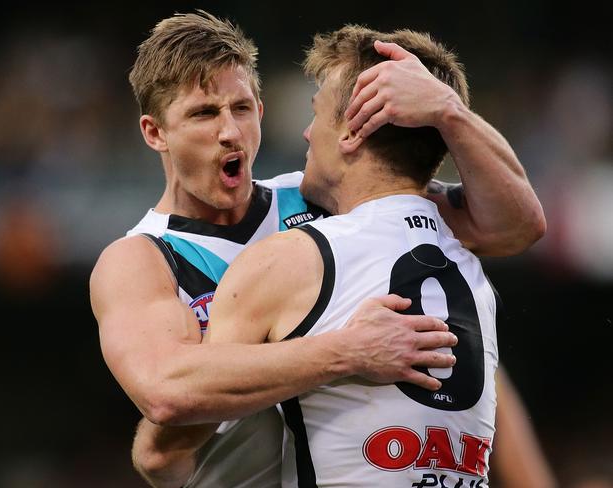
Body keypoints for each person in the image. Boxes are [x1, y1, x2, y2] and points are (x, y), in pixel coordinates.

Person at [88, 11, 546, 487]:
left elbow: (513, 224)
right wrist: (347, 352)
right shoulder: (142, 259)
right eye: (204, 114)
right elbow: (164, 393)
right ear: (155, 132)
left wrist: (449, 110)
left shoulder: (324, 196)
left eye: (242, 109)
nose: (229, 132)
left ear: (261, 112)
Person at [203, 25, 500, 487]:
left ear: (351, 130)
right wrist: (450, 112)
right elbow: (527, 222)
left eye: (316, 112)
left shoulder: (289, 260)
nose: (306, 132)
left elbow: (179, 431)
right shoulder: (472, 265)